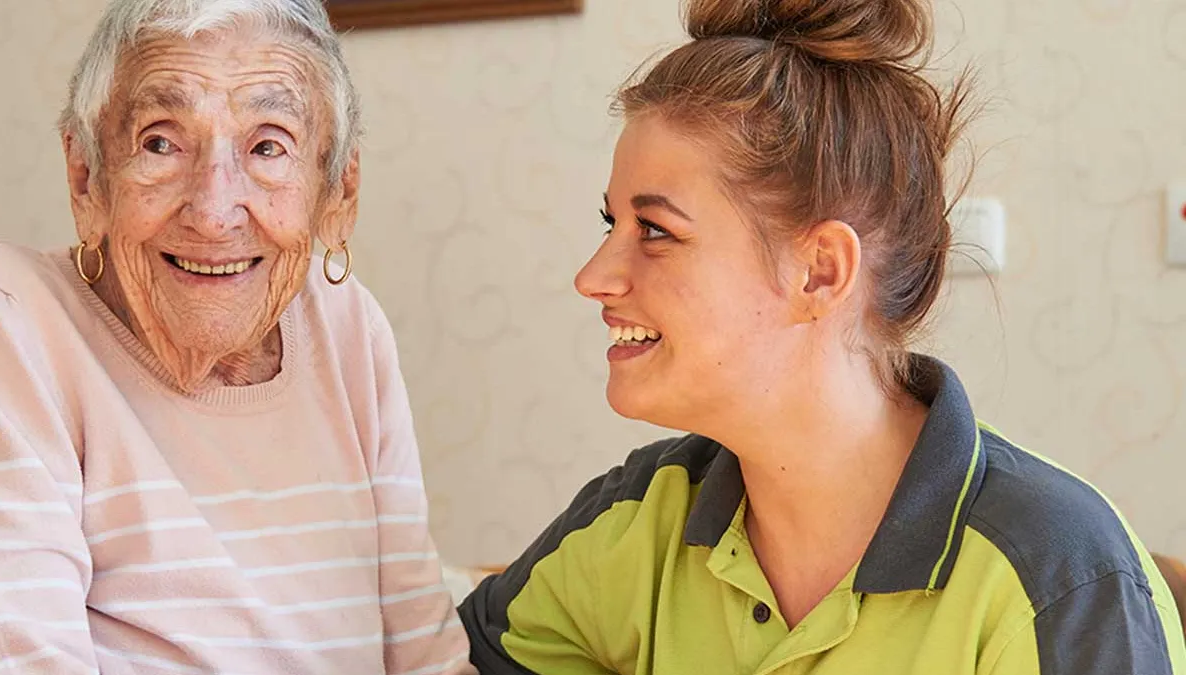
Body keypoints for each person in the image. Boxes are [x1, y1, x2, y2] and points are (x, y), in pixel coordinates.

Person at [458, 0, 1186, 672]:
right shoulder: (637, 521)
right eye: (608, 223)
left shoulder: (1061, 581)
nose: (594, 276)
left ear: (820, 271)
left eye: (655, 230)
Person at [0, 1, 473, 672]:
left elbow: (427, 656)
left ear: (340, 191)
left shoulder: (346, 325)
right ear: (85, 176)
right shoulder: (13, 321)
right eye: (160, 141)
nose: (214, 212)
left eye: (268, 145)